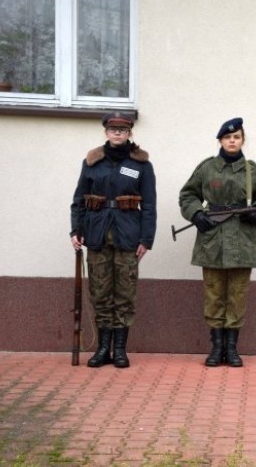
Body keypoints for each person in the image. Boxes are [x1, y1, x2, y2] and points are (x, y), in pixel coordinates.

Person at [179, 117, 256, 368]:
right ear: (220, 140)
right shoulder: (207, 168)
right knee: (214, 294)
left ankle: (232, 349)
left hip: (242, 239)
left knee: (237, 295)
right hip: (213, 239)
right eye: (227, 137)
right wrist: (197, 215)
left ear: (243, 140)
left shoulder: (252, 170)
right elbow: (188, 195)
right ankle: (216, 348)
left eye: (237, 137)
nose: (232, 141)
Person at [70, 112, 157, 369]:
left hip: (128, 235)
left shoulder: (141, 164)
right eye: (112, 129)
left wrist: (146, 238)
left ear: (130, 132)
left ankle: (119, 349)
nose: (117, 133)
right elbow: (79, 199)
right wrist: (76, 230)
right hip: (96, 234)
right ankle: (101, 349)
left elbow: (149, 205)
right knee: (100, 292)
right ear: (106, 132)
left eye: (123, 129)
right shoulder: (93, 162)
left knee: (125, 294)